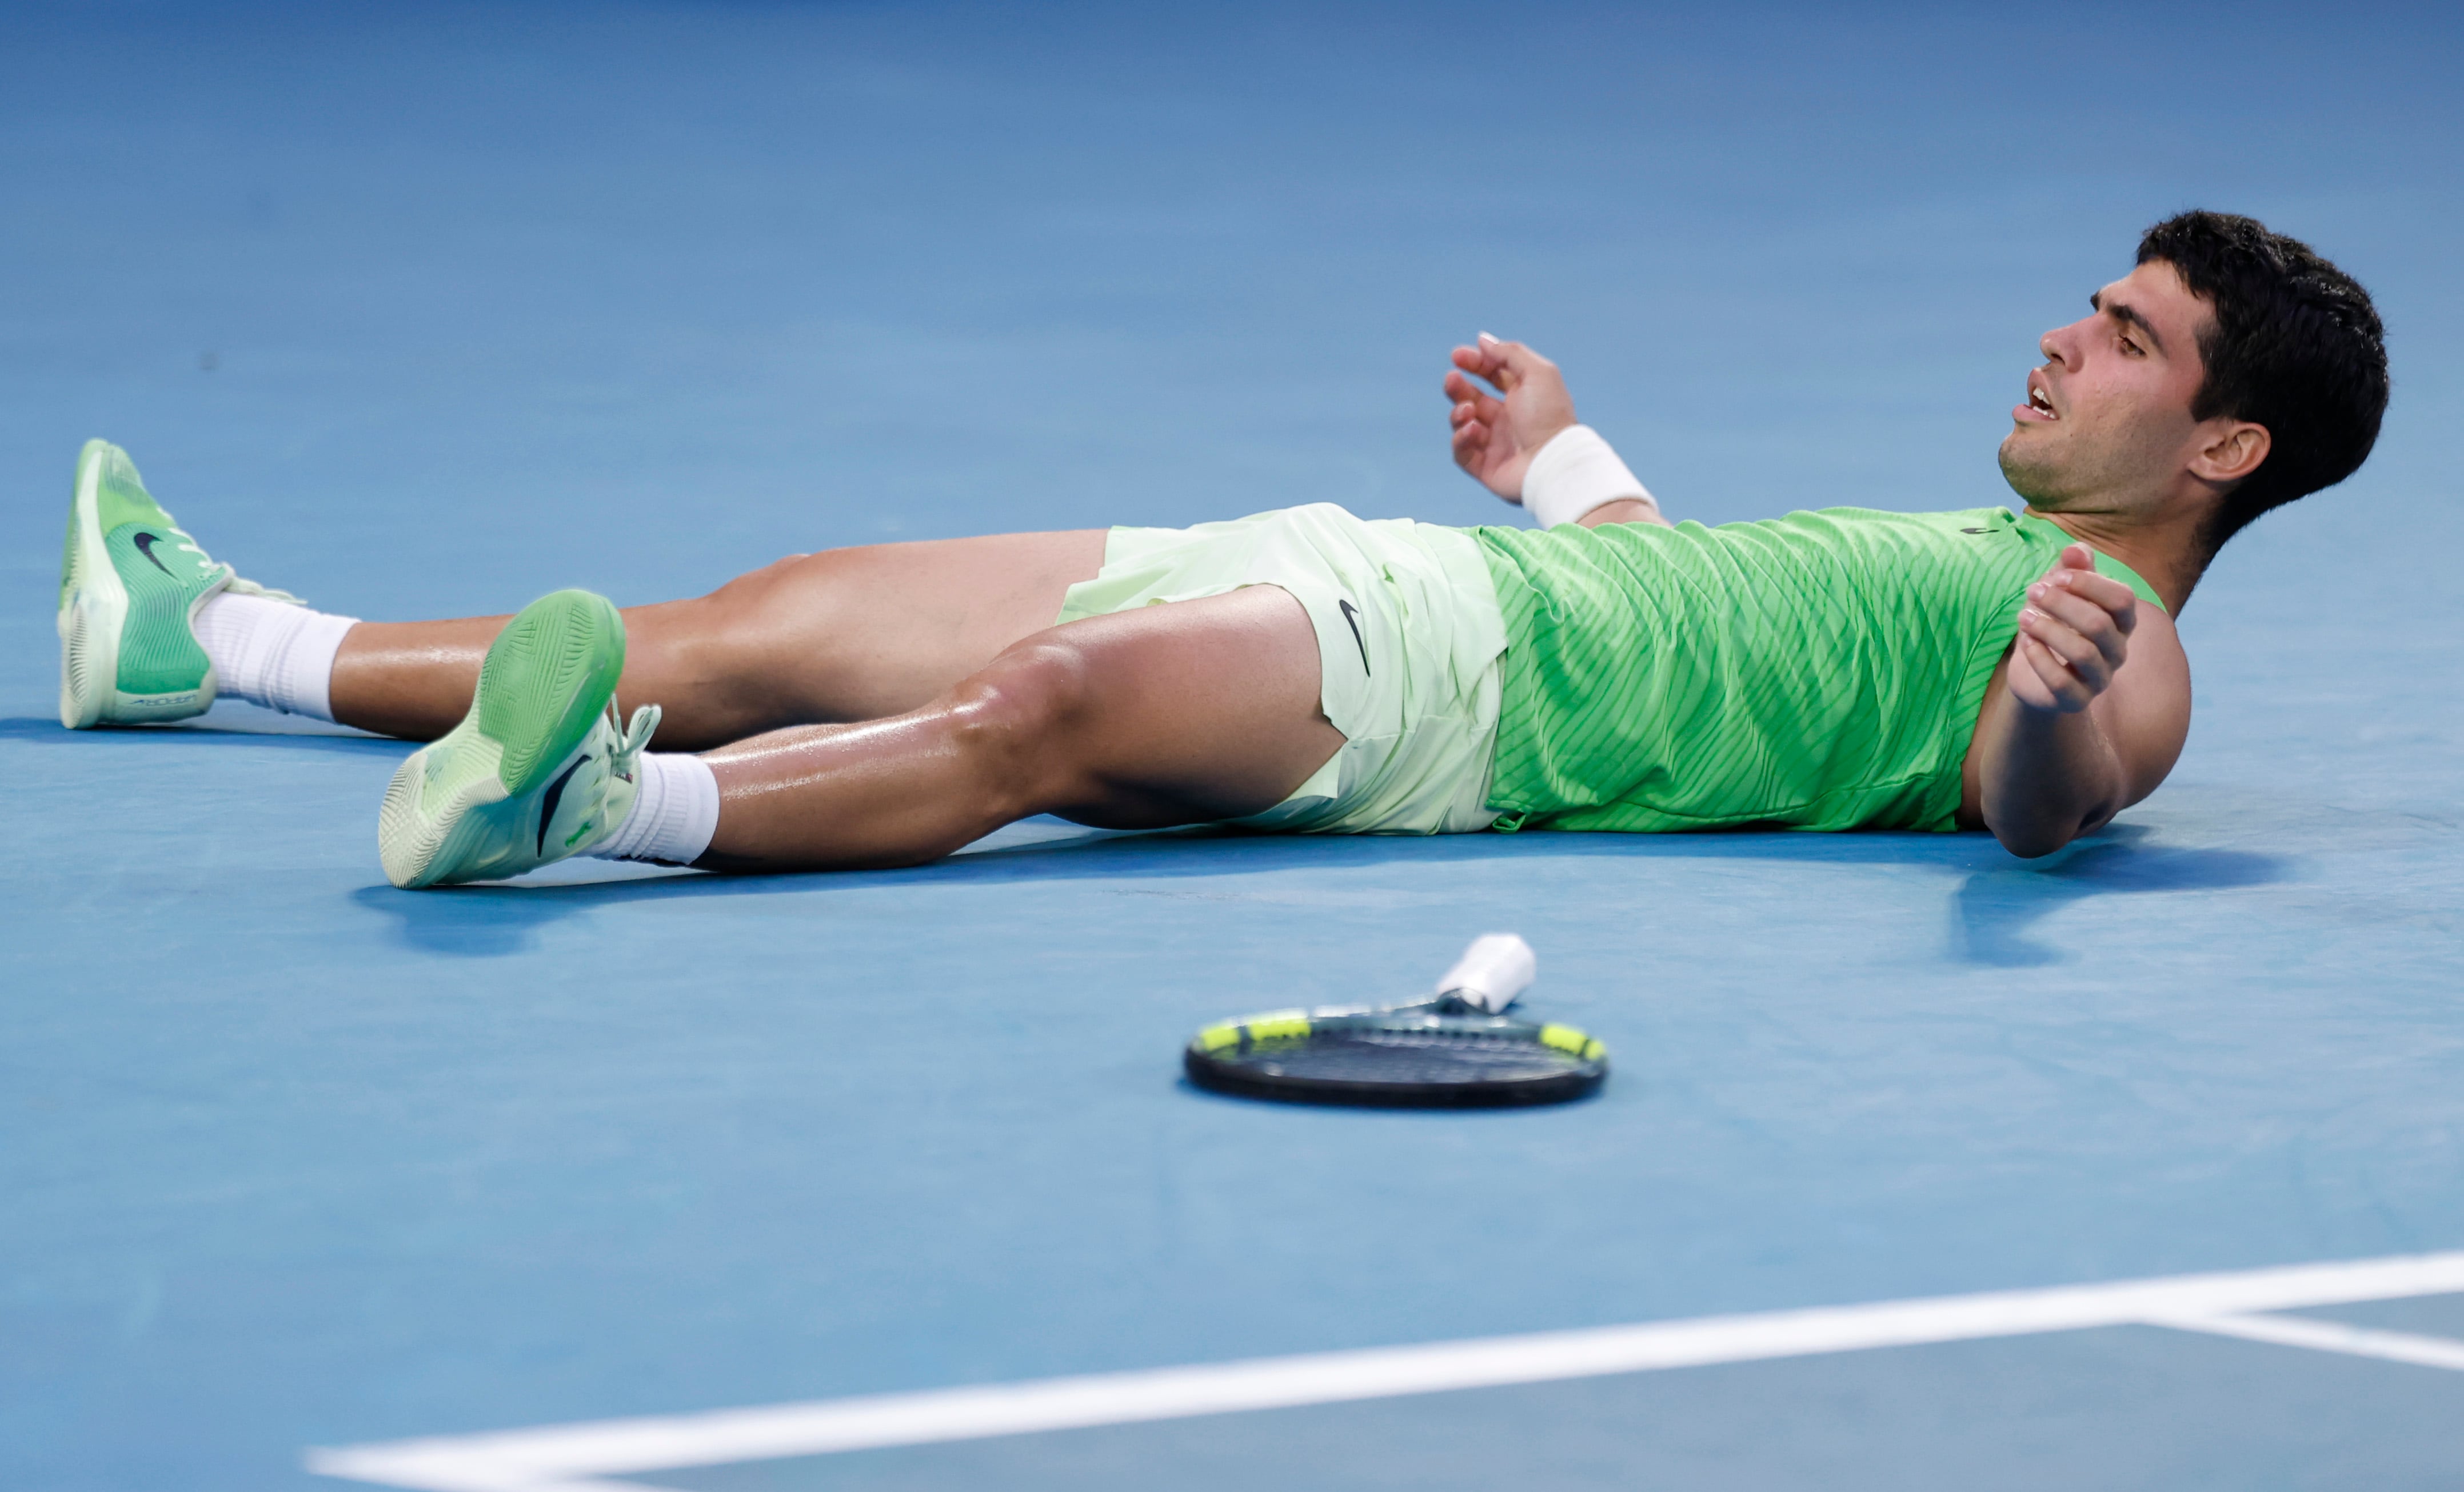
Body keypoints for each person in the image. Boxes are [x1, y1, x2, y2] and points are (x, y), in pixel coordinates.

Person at [54, 210, 2387, 889]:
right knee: (774, 616)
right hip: (1399, 572)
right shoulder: (1968, 541)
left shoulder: (2120, 646)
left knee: (1041, 719)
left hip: (1457, 703)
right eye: (2089, 303)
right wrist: (1567, 462)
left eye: (2126, 335)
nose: (2061, 335)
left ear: (2226, 440)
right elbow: (1689, 609)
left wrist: (2058, 715)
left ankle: (592, 810)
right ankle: (213, 637)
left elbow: (2034, 803)